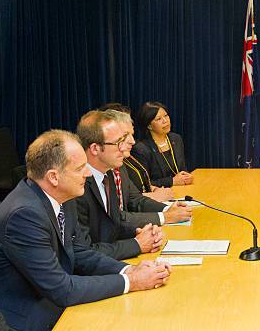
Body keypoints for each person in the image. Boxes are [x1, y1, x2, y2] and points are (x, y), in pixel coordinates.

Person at [0, 130, 171, 331]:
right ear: (53, 177)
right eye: (80, 168)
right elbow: (61, 289)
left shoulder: (61, 196)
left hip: (53, 307)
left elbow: (79, 252)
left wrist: (128, 270)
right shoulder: (24, 215)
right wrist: (132, 282)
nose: (88, 173)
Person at [74, 110, 167, 260]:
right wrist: (136, 244)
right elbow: (82, 253)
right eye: (119, 143)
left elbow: (113, 224)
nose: (125, 148)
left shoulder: (108, 173)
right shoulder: (76, 187)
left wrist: (146, 233)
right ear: (95, 149)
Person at [102, 109, 193, 229]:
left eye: (166, 116)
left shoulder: (120, 167)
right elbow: (117, 219)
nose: (132, 141)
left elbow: (135, 199)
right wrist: (165, 216)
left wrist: (167, 209)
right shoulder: (140, 150)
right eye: (123, 137)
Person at [99, 103, 173, 202]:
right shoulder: (109, 166)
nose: (132, 141)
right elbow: (125, 202)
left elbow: (135, 189)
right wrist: (155, 197)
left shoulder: (124, 160)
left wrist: (155, 189)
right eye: (125, 134)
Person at [132, 102, 193, 187]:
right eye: (158, 119)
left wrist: (187, 176)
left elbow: (182, 169)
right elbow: (143, 184)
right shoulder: (141, 149)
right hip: (159, 196)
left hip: (182, 190)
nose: (165, 121)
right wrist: (172, 181)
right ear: (149, 126)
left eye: (166, 116)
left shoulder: (176, 139)